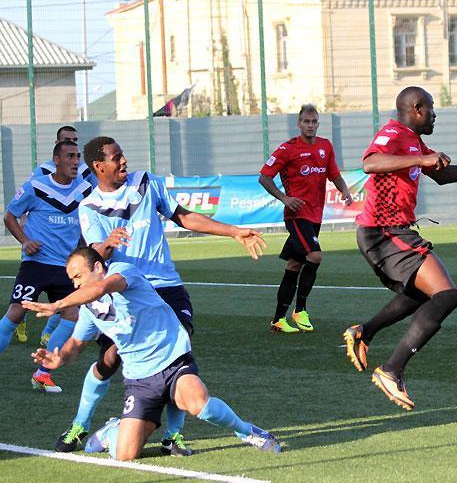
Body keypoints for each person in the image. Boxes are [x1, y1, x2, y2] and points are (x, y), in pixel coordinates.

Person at [53, 136, 266, 456]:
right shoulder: (89, 206)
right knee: (108, 361)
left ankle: (173, 434)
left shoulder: (146, 182)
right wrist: (108, 243)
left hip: (165, 286)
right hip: (124, 292)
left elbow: (184, 216)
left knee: (177, 353)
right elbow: (93, 256)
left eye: (123, 154)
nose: (124, 161)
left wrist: (234, 231)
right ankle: (81, 424)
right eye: (116, 157)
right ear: (99, 166)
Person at [343, 86, 457, 410]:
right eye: (432, 108)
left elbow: (443, 175)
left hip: (393, 232)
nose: (435, 114)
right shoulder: (393, 134)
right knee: (448, 296)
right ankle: (391, 370)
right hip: (383, 232)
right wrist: (421, 158)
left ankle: (364, 332)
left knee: (425, 295)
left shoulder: (413, 140)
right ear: (417, 108)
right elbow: (371, 163)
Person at [24, 247, 281, 461]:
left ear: (98, 267)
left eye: (78, 276)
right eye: (72, 280)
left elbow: (102, 288)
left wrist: (59, 304)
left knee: (199, 404)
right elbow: (76, 344)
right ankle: (112, 429)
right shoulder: (89, 309)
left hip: (172, 358)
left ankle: (247, 432)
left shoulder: (122, 271)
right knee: (125, 455)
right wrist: (59, 359)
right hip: (139, 379)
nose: (75, 284)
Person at [0, 140, 92, 393]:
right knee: (16, 313)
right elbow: (9, 215)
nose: (76, 161)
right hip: (37, 264)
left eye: (78, 156)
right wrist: (25, 241)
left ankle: (42, 374)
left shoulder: (85, 189)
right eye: (70, 156)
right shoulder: (36, 186)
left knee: (72, 317)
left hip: (66, 267)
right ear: (56, 160)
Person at [258, 104, 353, 333]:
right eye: (306, 121)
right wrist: (285, 198)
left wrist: (344, 190)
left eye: (314, 121)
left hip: (315, 215)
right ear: (299, 124)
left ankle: (278, 320)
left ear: (318, 124)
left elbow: (334, 175)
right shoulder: (287, 149)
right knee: (315, 255)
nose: (310, 125)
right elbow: (264, 177)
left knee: (294, 264)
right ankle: (300, 309)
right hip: (296, 215)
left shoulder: (325, 146)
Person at [15, 126, 95, 346]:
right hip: (40, 246)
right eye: (67, 140)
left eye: (75, 141)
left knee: (72, 302)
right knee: (20, 305)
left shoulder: (83, 174)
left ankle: (48, 335)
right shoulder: (42, 172)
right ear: (57, 146)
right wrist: (25, 235)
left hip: (69, 245)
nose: (72, 144)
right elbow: (25, 202)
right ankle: (21, 317)